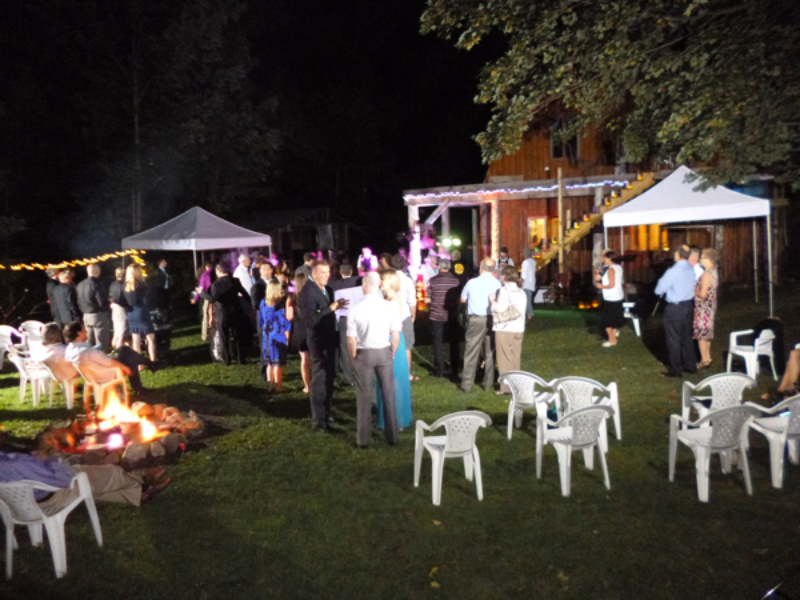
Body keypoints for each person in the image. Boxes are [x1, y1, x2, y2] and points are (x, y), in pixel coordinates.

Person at [0, 450, 170, 507]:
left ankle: (139, 494)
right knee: (108, 472)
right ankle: (142, 480)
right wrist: (52, 459)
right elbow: (63, 478)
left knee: (90, 484)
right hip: (50, 495)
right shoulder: (16, 465)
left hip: (19, 504)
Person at [347, 271, 400, 447]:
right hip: (383, 351)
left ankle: (363, 439)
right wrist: (391, 351)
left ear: (366, 285)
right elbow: (395, 334)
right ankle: (392, 435)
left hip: (364, 353)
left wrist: (353, 355)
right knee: (388, 394)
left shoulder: (355, 309)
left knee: (363, 397)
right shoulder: (389, 307)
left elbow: (351, 338)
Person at [299, 261, 347, 431]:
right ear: (314, 273)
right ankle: (319, 421)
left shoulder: (325, 289)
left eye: (328, 272)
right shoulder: (308, 292)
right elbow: (310, 319)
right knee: (320, 379)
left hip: (330, 338)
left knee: (330, 377)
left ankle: (327, 413)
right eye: (323, 272)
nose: (327, 275)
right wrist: (330, 309)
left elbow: (320, 309)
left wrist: (333, 308)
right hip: (319, 341)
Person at [63, 321, 152, 403]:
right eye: (84, 330)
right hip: (106, 374)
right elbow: (110, 363)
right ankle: (140, 385)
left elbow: (98, 361)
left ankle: (150, 364)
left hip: (92, 376)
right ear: (79, 333)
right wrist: (125, 368)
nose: (86, 331)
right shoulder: (88, 352)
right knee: (130, 359)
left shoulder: (69, 351)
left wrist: (108, 357)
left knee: (123, 349)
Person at [375, 269, 413, 430]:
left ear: (390, 281)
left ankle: (396, 419)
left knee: (394, 380)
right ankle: (390, 417)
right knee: (386, 381)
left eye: (382, 280)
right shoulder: (385, 298)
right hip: (385, 339)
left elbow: (394, 327)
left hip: (391, 341)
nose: (379, 283)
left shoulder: (393, 301)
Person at [654, 244, 697, 378]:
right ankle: (690, 365)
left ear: (677, 255)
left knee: (673, 338)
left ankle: (675, 369)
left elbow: (659, 289)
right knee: (686, 337)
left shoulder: (673, 271)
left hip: (676, 307)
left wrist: (668, 289)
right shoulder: (691, 269)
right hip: (688, 305)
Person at [460, 257, 501, 393]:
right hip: (492, 319)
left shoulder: (472, 282)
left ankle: (467, 384)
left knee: (471, 351)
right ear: (494, 269)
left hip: (476, 319)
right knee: (490, 352)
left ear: (481, 267)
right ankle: (488, 383)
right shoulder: (497, 283)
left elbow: (463, 299)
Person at [201, 262, 251, 365]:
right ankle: (240, 358)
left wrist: (201, 293)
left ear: (218, 271)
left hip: (223, 312)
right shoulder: (235, 281)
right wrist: (251, 304)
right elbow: (244, 293)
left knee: (224, 336)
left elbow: (212, 299)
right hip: (236, 310)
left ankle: (227, 359)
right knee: (238, 336)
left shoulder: (216, 284)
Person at [490, 265, 528, 394]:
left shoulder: (504, 290)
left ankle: (506, 388)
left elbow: (500, 308)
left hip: (505, 328)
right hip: (519, 328)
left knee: (504, 358)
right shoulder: (521, 291)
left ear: (504, 276)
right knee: (515, 357)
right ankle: (516, 386)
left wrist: (493, 302)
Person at [427, 258, 462, 378]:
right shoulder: (455, 281)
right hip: (451, 315)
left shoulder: (433, 281)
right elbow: (459, 299)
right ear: (450, 267)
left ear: (439, 267)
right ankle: (455, 367)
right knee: (454, 342)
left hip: (436, 315)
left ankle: (439, 369)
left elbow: (428, 298)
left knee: (437, 343)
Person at [258, 281, 292, 392]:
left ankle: (270, 384)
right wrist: (287, 336)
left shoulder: (263, 302)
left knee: (269, 362)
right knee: (278, 362)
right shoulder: (280, 305)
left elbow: (260, 320)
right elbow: (284, 323)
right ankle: (278, 385)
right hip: (277, 335)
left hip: (266, 334)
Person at [391, 254, 418, 382]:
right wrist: (414, 315)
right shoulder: (407, 280)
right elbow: (412, 300)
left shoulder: (388, 279)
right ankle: (407, 374)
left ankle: (391, 372)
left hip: (390, 316)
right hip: (404, 315)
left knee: (391, 344)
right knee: (407, 345)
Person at [124, 264, 157, 364]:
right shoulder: (142, 285)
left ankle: (139, 364)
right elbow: (148, 298)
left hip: (131, 313)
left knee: (135, 340)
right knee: (150, 338)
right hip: (141, 311)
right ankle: (153, 360)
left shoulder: (125, 286)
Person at [693, 248, 719, 369]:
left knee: (702, 334)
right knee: (707, 333)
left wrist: (693, 289)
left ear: (709, 259)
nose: (700, 259)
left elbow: (703, 294)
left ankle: (704, 359)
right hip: (710, 306)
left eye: (702, 257)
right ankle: (707, 357)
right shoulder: (714, 271)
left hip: (703, 308)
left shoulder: (706, 274)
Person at [76, 263, 111, 352]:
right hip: (98, 315)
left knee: (88, 342)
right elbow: (101, 301)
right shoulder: (97, 284)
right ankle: (101, 362)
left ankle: (88, 361)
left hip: (86, 315)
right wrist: (108, 307)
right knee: (101, 342)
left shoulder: (80, 284)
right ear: (97, 271)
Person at [594, 250, 625, 348]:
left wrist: (601, 286)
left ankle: (612, 340)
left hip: (610, 297)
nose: (604, 259)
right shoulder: (619, 267)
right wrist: (599, 272)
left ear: (610, 259)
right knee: (615, 318)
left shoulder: (610, 269)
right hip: (619, 296)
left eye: (606, 258)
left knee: (607, 320)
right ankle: (614, 336)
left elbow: (611, 284)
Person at [293, 273, 312, 394]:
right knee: (315, 358)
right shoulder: (312, 296)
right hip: (311, 327)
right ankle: (317, 383)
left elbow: (289, 316)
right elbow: (319, 309)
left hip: (299, 328)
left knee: (304, 359)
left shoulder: (292, 298)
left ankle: (307, 386)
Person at [109, 267, 129, 349]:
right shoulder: (124, 285)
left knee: (116, 332)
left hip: (114, 308)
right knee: (121, 333)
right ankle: (119, 352)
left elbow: (110, 296)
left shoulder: (112, 284)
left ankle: (115, 348)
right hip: (122, 309)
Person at [194, 262, 215, 342]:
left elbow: (201, 288)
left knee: (206, 315)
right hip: (215, 295)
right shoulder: (214, 273)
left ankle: (205, 335)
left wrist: (196, 298)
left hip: (207, 296)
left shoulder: (205, 275)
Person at [521, 247, 537, 321]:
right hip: (531, 283)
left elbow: (524, 275)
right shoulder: (533, 262)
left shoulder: (525, 262)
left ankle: (529, 314)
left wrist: (521, 283)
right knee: (528, 299)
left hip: (526, 284)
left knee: (526, 300)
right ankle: (528, 314)